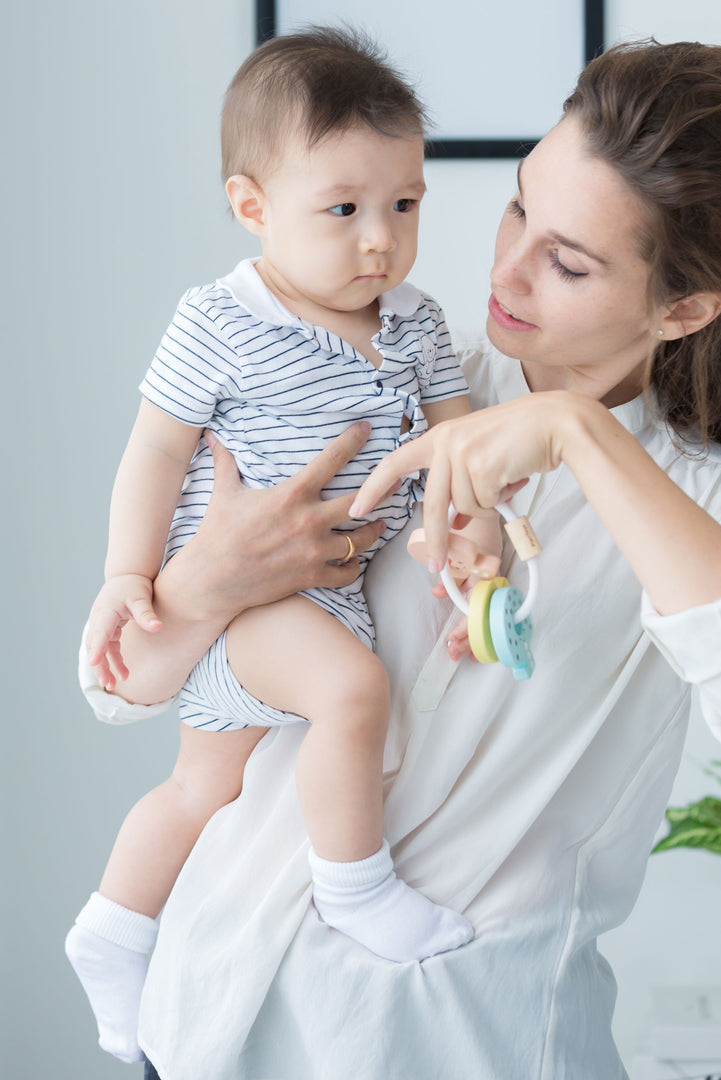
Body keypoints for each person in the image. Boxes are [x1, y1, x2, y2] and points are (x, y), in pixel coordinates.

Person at [77, 39, 721, 1080]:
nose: (503, 269)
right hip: (204, 1014)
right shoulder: (380, 384)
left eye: (570, 261)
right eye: (516, 209)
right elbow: (121, 693)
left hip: (447, 1042)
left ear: (683, 310)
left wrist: (578, 435)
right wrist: (203, 583)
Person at [65, 27, 496, 1066]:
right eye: (342, 211)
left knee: (202, 790)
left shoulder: (417, 321)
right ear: (252, 206)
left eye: (405, 204)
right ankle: (357, 888)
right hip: (244, 600)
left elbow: (455, 444)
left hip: (322, 592)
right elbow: (154, 453)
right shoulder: (218, 319)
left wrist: (468, 527)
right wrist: (129, 576)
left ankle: (111, 933)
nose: (379, 240)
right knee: (354, 692)